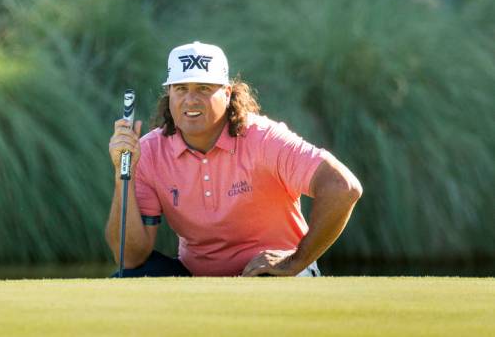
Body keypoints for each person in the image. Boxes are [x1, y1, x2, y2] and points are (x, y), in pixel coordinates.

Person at [106, 41, 362, 277]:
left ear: (227, 93)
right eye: (181, 88)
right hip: (197, 278)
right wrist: (122, 175)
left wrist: (296, 260)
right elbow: (129, 257)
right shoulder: (149, 151)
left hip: (277, 275)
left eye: (204, 88)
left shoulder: (264, 139)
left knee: (265, 282)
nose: (190, 99)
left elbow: (343, 187)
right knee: (127, 276)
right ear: (169, 95)